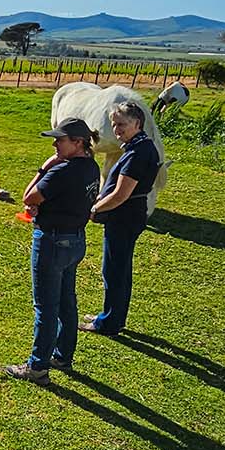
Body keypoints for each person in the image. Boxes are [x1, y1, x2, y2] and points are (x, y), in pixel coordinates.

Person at [4, 117, 100, 384]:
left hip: (52, 241)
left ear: (78, 143)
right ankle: (62, 355)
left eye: (60, 140)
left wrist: (44, 167)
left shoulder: (61, 171)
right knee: (67, 300)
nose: (55, 144)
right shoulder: (91, 168)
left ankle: (37, 367)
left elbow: (28, 196)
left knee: (46, 306)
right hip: (76, 240)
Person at [79, 101, 161, 337]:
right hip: (128, 216)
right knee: (120, 269)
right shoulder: (139, 146)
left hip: (124, 217)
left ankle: (109, 323)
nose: (116, 130)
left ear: (137, 123)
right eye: (114, 125)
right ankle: (112, 315)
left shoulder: (138, 153)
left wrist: (94, 208)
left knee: (114, 270)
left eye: (122, 124)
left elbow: (120, 195)